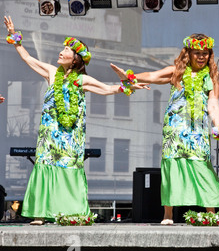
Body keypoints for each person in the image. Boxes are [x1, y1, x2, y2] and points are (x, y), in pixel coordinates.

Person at [4, 16, 148, 225]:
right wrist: (14, 37)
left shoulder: (82, 80)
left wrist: (129, 85)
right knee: (46, 165)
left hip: (70, 135)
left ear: (75, 59)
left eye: (66, 50)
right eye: (61, 49)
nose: (60, 52)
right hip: (49, 134)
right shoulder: (53, 73)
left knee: (68, 167)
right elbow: (28, 59)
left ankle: (71, 213)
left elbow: (108, 89)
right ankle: (40, 214)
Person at [111, 33, 219, 225]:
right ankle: (168, 214)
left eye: (205, 53)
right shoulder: (176, 72)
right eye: (197, 53)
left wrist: (218, 127)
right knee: (172, 166)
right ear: (188, 54)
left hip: (197, 129)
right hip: (175, 129)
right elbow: (152, 76)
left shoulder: (212, 76)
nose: (202, 57)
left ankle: (210, 212)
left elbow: (213, 103)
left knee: (201, 166)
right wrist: (130, 76)